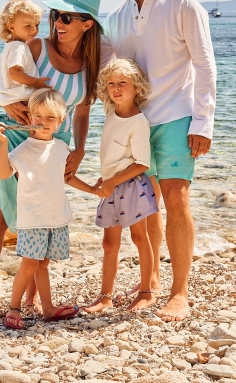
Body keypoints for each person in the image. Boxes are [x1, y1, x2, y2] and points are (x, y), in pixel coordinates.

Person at [100, 0, 217, 321]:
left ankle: (179, 293)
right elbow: (97, 68)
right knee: (145, 208)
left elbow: (204, 64)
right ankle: (148, 287)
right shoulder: (116, 17)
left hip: (176, 118)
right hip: (134, 125)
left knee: (176, 201)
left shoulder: (184, 4)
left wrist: (203, 122)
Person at [0, 0, 102, 320]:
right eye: (56, 14)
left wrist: (80, 149)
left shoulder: (91, 64)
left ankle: (30, 301)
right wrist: (9, 102)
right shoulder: (35, 45)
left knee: (41, 216)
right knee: (0, 221)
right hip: (16, 137)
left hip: (56, 145)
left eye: (67, 16)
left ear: (87, 24)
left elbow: (84, 111)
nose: (58, 21)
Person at [0, 88, 95, 328]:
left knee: (44, 263)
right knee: (30, 264)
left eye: (51, 118)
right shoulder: (24, 150)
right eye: (38, 117)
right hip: (32, 219)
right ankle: (14, 308)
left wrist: (94, 190)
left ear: (61, 121)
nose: (43, 122)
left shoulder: (61, 148)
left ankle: (48, 308)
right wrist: (2, 144)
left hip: (55, 218)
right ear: (29, 117)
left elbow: (67, 178)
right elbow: (4, 173)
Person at [78, 58, 159, 313]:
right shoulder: (111, 112)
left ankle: (147, 291)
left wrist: (113, 180)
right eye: (111, 83)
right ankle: (105, 296)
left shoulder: (138, 121)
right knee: (109, 244)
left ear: (136, 87)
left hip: (131, 185)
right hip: (111, 186)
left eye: (123, 83)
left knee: (139, 237)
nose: (116, 88)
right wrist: (107, 179)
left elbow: (143, 163)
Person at [0, 0, 50, 106]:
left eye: (36, 25)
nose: (34, 30)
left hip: (9, 97)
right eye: (28, 26)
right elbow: (14, 72)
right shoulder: (19, 47)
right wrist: (36, 82)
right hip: (21, 97)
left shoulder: (9, 46)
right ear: (11, 27)